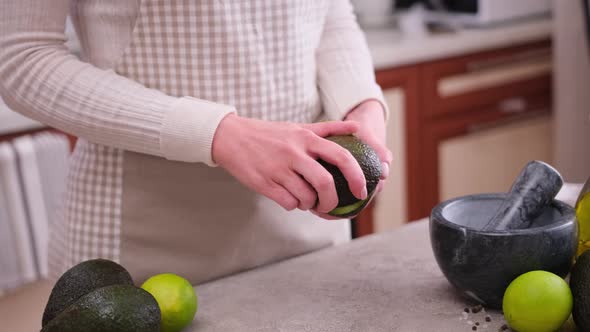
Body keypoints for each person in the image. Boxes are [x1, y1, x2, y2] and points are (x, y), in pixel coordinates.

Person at [0, 0, 392, 284]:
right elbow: (23, 58)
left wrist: (361, 105)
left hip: (307, 230)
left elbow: (331, 15)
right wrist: (219, 133)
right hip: (140, 241)